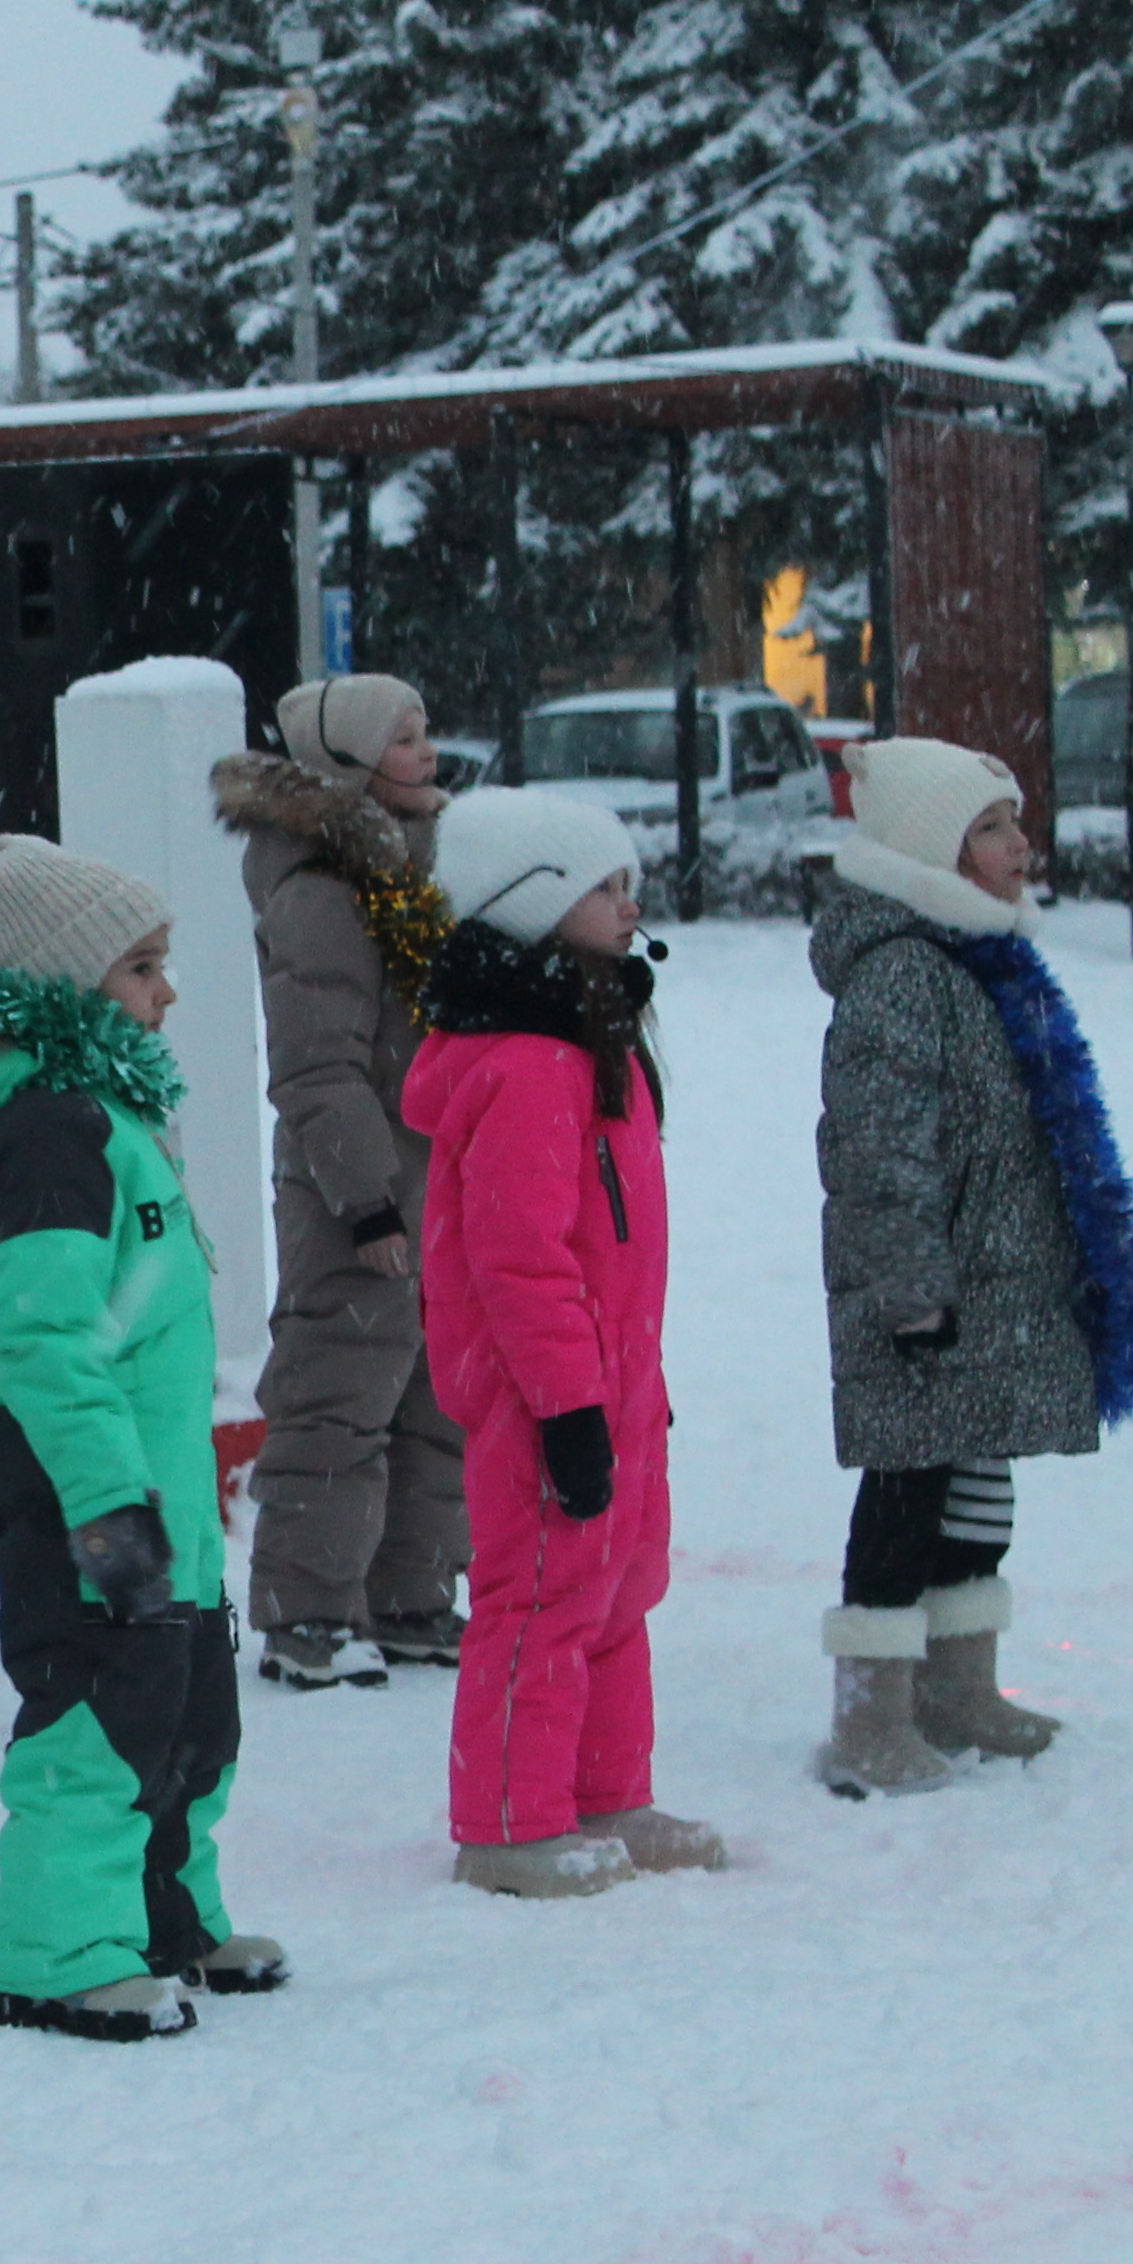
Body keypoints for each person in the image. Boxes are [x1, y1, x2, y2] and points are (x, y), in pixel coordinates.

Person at [0, 837, 279, 2042]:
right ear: (72, 985)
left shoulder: (108, 1114)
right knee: (98, 1702)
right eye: (140, 969)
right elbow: (39, 1336)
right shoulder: (45, 1129)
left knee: (188, 1701)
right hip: (83, 1476)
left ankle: (165, 1919)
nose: (164, 993)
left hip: (151, 1476)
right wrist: (104, 1501)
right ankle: (58, 1952)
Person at [808, 740, 1133, 1796]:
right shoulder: (903, 976)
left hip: (997, 1286)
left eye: (1016, 822)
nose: (1023, 846)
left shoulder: (983, 961)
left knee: (979, 1488)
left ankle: (958, 1687)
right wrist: (913, 1292)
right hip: (929, 1294)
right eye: (994, 828)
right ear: (934, 848)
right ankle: (871, 1714)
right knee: (908, 1491)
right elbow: (881, 1155)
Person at [402, 793, 724, 1897]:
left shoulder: (600, 1041)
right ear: (535, 902)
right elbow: (519, 1259)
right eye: (607, 886)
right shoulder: (528, 1065)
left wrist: (635, 1387)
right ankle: (508, 1817)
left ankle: (605, 1793)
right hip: (548, 1392)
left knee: (619, 1588)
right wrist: (567, 1404)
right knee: (540, 1593)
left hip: (620, 1373)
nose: (630, 906)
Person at [211, 675, 470, 1689]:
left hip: (430, 1177)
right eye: (404, 738)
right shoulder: (325, 887)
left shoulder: (417, 875)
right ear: (352, 763)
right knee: (337, 1394)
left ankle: (408, 1594)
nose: (427, 750)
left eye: (424, 728)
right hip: (350, 1190)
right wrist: (365, 1198)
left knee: (432, 1397)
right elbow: (318, 1065)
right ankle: (306, 1611)